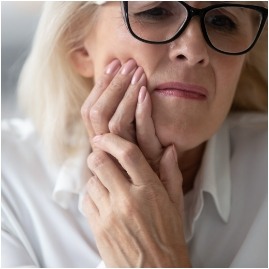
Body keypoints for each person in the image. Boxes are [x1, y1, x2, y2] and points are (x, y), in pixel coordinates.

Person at [1, 1, 268, 268]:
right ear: (79, 45)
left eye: (222, 21)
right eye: (156, 11)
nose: (193, 49)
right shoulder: (9, 179)